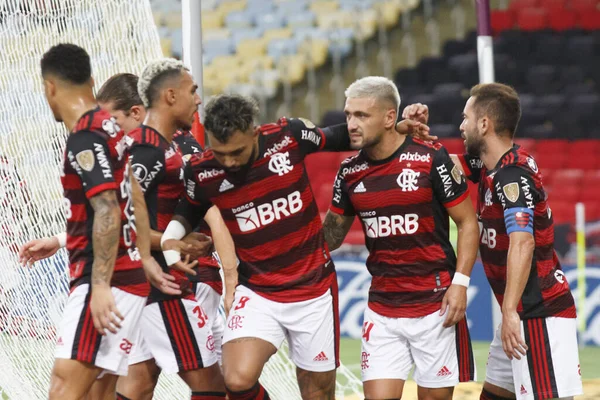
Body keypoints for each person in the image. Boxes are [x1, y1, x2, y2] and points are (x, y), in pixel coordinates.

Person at [160, 94, 428, 400]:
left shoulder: (289, 136)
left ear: (255, 133)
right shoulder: (203, 170)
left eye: (237, 151)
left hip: (312, 289)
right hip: (258, 290)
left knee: (317, 394)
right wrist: (171, 239)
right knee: (235, 379)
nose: (230, 162)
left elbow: (341, 135)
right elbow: (189, 208)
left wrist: (398, 129)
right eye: (221, 154)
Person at [404, 83, 583, 400]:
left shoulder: (512, 175)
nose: (461, 126)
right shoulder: (492, 167)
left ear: (484, 123)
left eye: (465, 118)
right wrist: (415, 137)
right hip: (518, 314)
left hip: (536, 314)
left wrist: (511, 311)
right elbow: (438, 168)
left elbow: (523, 242)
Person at [38, 43, 180, 400]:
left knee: (64, 388)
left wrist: (100, 286)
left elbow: (107, 208)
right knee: (97, 393)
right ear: (91, 80)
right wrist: (144, 256)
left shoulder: (85, 136)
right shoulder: (111, 127)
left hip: (106, 279)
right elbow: (131, 188)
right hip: (129, 275)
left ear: (50, 88)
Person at [321, 76, 478, 400]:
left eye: (362, 115)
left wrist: (460, 282)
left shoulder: (430, 157)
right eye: (349, 115)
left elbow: (468, 222)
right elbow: (330, 238)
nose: (352, 123)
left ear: (390, 117)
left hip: (435, 307)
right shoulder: (349, 171)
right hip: (383, 309)